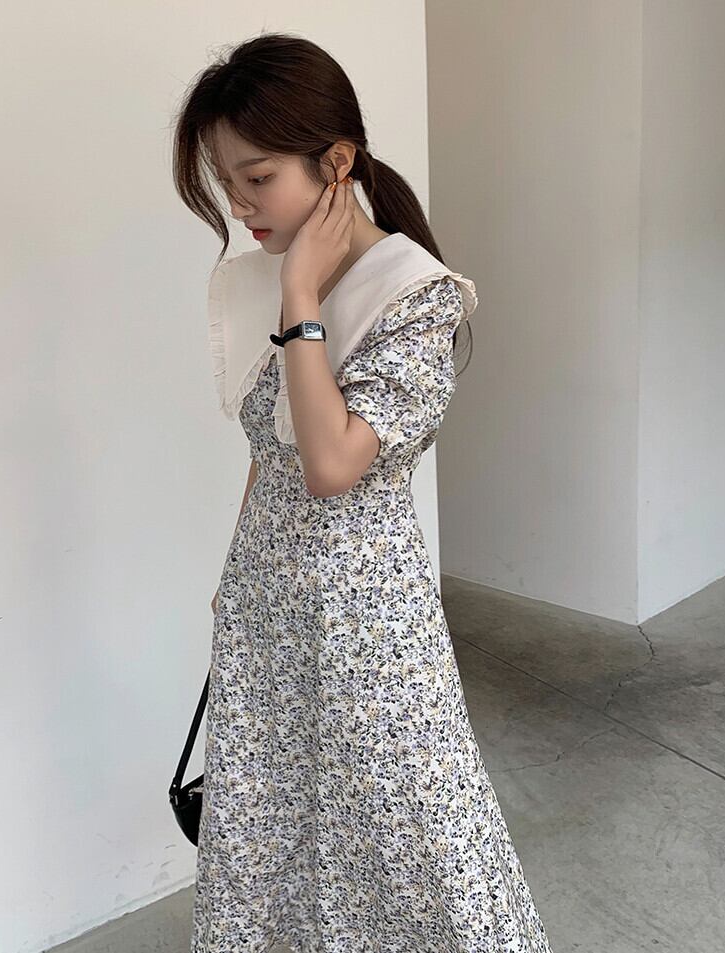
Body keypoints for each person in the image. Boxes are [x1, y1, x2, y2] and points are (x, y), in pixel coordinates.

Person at [172, 31, 554, 953]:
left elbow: (332, 463)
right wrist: (232, 578)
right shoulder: (275, 280)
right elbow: (270, 448)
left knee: (414, 834)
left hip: (365, 621)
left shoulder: (414, 294)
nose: (239, 204)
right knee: (277, 829)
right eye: (226, 182)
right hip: (267, 606)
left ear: (335, 161)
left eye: (257, 178)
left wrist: (301, 299)